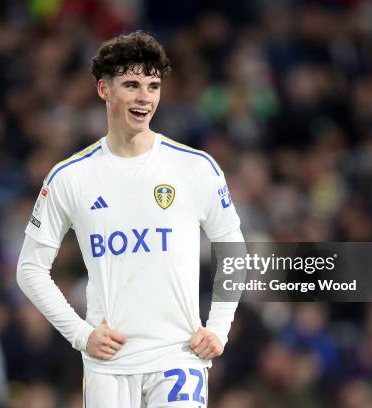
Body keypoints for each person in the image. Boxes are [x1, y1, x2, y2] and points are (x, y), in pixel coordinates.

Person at [17, 31, 243, 407]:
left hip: (178, 356)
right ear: (103, 89)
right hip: (108, 364)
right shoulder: (70, 177)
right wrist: (80, 333)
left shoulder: (195, 168)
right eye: (132, 84)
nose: (145, 97)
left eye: (153, 86)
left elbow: (235, 251)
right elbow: (29, 269)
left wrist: (219, 327)